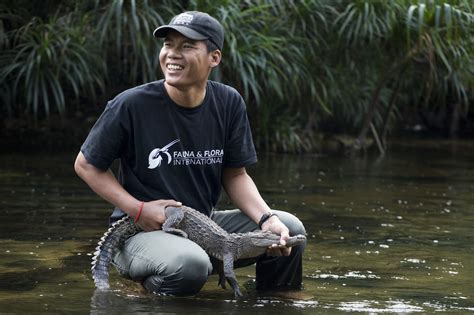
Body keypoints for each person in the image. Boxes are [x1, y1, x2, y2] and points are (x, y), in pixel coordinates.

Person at [74, 11, 306, 296]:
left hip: (203, 227)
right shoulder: (131, 105)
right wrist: (139, 209)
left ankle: (275, 303)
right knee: (190, 265)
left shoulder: (228, 102)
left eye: (187, 46)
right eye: (168, 45)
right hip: (141, 231)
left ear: (214, 58)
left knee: (289, 230)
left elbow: (235, 175)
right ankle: (142, 292)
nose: (173, 54)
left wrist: (267, 219)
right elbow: (86, 165)